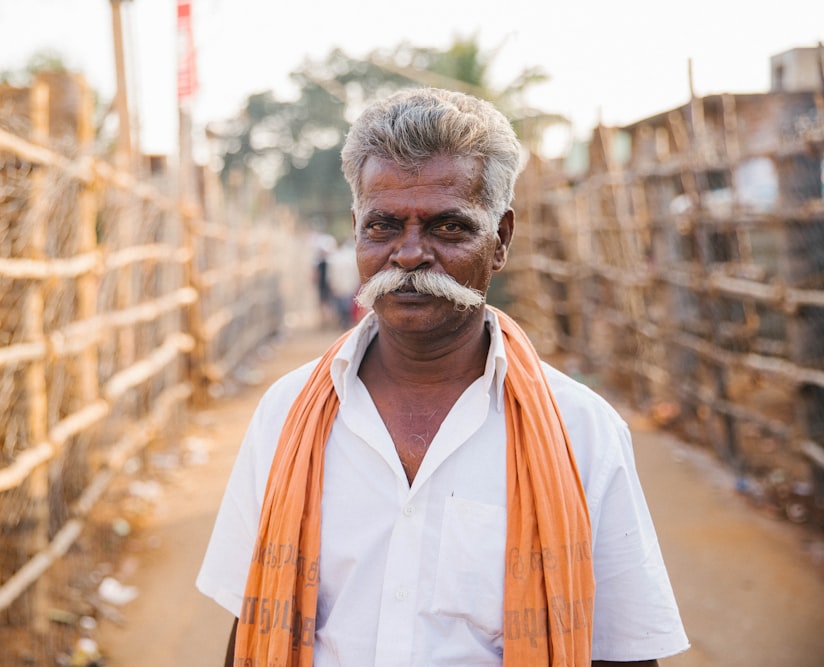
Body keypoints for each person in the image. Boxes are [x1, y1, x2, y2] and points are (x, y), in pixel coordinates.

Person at [196, 87, 689, 666]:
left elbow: (624, 652)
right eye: (383, 226)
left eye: (448, 228)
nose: (409, 254)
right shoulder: (286, 414)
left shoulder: (581, 431)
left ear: (501, 239)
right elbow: (251, 624)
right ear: (356, 229)